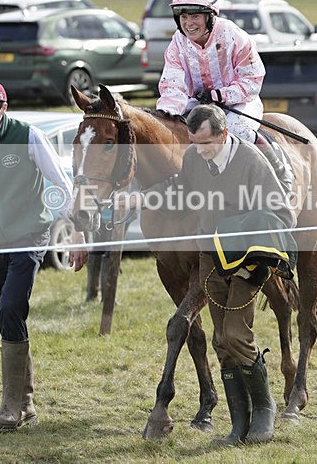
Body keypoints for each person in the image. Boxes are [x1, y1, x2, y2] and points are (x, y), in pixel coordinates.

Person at [121, 104, 296, 445]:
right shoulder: (193, 158)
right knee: (220, 342)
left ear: (224, 134)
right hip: (210, 259)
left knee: (234, 334)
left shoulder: (251, 161)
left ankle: (265, 409)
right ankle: (238, 424)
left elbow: (283, 213)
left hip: (247, 262)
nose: (199, 151)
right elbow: (183, 189)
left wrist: (237, 231)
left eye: (206, 144)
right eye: (193, 143)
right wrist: (139, 199)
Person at [0, 79, 88, 430]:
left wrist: (77, 232)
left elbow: (59, 183)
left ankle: (10, 406)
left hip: (29, 235)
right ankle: (25, 404)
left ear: (3, 107)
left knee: (11, 307)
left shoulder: (28, 136)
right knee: (7, 315)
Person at [156, 0, 292, 190]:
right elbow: (172, 85)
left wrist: (220, 95)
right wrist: (166, 115)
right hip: (198, 105)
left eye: (195, 16)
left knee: (239, 132)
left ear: (210, 16)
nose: (188, 23)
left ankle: (281, 174)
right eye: (183, 16)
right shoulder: (177, 42)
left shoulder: (234, 35)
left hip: (239, 102)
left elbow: (252, 79)